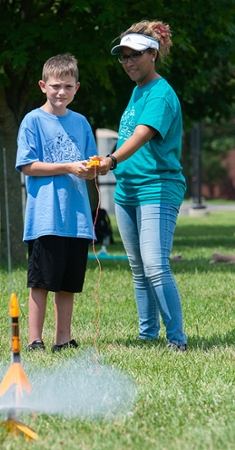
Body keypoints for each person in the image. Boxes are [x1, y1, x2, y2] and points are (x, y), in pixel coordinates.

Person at [98, 20, 187, 351]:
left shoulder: (161, 94)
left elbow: (141, 134)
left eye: (134, 56)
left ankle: (176, 341)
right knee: (139, 269)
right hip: (128, 191)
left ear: (152, 54)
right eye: (122, 57)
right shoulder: (137, 91)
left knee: (154, 264)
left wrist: (110, 160)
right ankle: (147, 336)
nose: (128, 63)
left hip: (157, 188)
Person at [15, 54, 98, 353]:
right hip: (45, 217)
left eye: (67, 86)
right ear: (42, 86)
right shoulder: (33, 121)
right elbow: (27, 165)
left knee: (68, 284)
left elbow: (89, 164)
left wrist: (92, 168)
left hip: (76, 219)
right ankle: (35, 340)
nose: (60, 92)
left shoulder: (81, 122)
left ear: (77, 88)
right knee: (41, 282)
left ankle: (63, 339)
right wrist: (67, 167)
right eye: (55, 86)